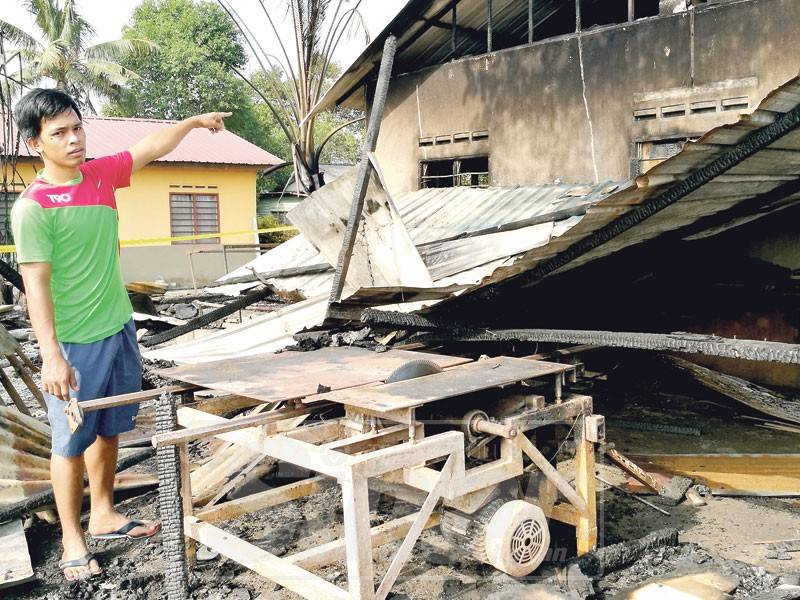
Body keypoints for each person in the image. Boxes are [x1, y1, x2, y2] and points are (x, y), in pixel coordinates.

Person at [11, 88, 231, 581]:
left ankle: (105, 513)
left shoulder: (101, 176)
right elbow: (36, 286)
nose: (73, 140)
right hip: (73, 343)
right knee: (69, 442)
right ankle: (72, 538)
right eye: (59, 133)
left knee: (111, 428)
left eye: (76, 128)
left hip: (117, 328)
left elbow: (151, 146)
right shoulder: (34, 207)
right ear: (35, 144)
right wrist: (51, 355)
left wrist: (193, 120)